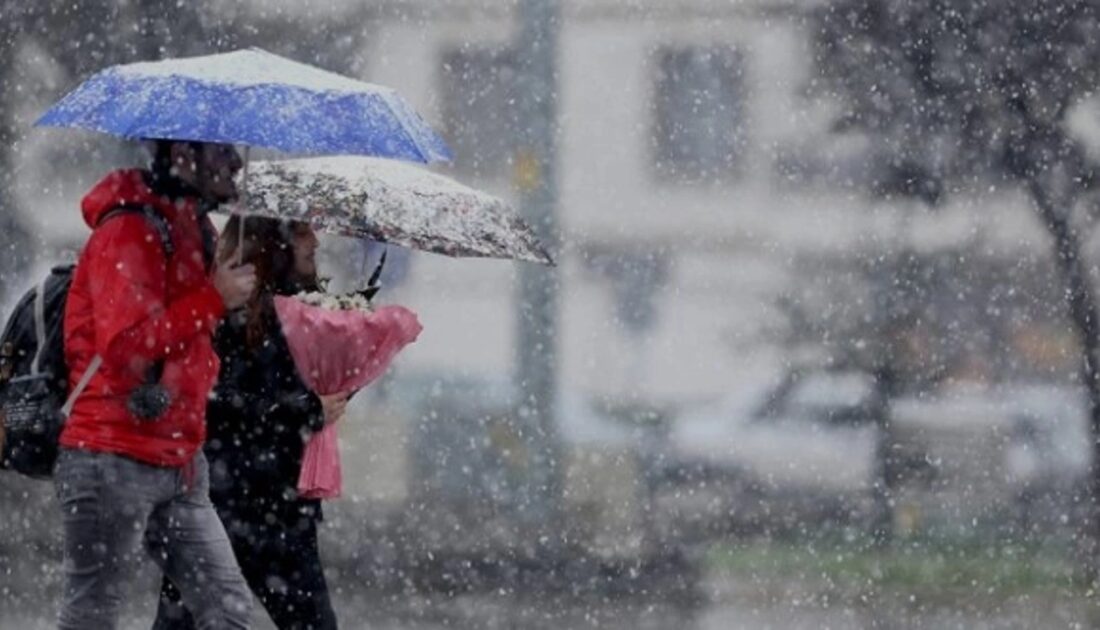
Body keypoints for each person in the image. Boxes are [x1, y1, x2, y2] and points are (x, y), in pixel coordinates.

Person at [57, 140, 257, 629]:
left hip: (180, 461)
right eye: (221, 151)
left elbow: (197, 339)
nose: (236, 162)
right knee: (93, 616)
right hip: (112, 455)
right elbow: (127, 346)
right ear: (182, 154)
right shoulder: (130, 228)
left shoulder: (193, 228)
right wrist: (213, 298)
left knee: (228, 612)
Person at [153, 216, 349, 630]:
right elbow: (214, 402)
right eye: (301, 231)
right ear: (271, 242)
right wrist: (302, 410)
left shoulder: (308, 310)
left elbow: (296, 397)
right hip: (222, 502)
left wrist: (337, 387)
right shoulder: (225, 310)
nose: (314, 240)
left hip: (280, 506)